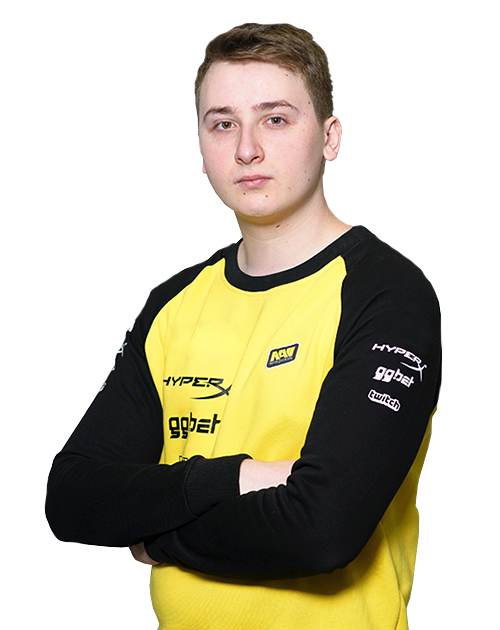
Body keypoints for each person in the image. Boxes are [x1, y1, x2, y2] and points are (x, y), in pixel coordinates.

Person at [45, 22, 443, 630]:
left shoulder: (387, 293)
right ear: (201, 146)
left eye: (275, 119)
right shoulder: (173, 303)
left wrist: (159, 538)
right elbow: (72, 498)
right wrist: (237, 476)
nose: (247, 149)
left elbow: (322, 529)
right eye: (222, 123)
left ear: (329, 136)